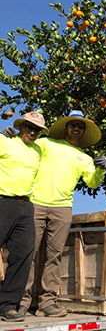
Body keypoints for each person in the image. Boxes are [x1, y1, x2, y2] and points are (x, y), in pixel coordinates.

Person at [3, 110, 106, 318]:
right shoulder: (46, 143)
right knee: (25, 254)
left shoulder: (85, 158)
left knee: (54, 256)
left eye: (80, 126)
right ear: (66, 128)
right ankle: (20, 302)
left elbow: (93, 182)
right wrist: (10, 138)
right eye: (73, 125)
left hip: (62, 208)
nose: (76, 129)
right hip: (35, 204)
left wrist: (101, 170)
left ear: (83, 131)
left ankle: (47, 303)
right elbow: (25, 148)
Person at [0, 112, 48, 322]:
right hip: (2, 200)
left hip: (26, 205)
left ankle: (8, 305)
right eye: (28, 127)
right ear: (20, 127)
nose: (32, 132)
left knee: (23, 255)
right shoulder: (5, 141)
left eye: (36, 129)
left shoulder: (38, 149)